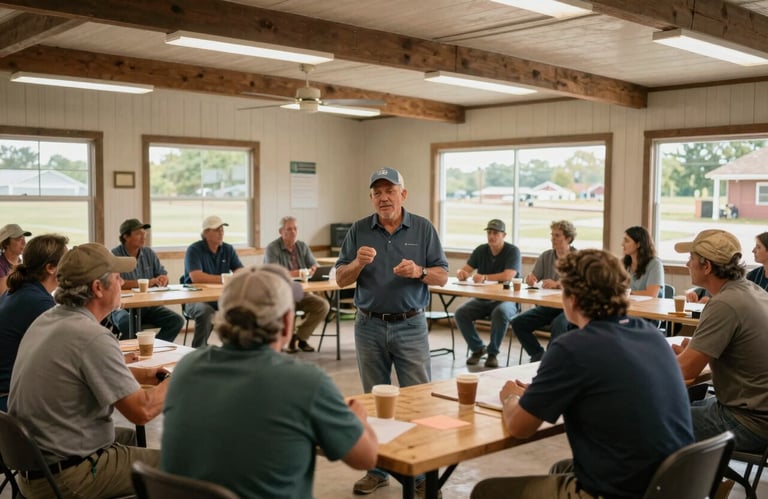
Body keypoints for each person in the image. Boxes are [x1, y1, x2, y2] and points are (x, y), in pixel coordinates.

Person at [472, 249, 693, 499]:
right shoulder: (650, 334)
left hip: (623, 492)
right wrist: (539, 395)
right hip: (676, 484)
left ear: (573, 299)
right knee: (561, 469)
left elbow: (520, 427)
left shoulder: (572, 347)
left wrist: (511, 398)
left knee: (486, 491)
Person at [162, 265, 378, 498]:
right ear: (287, 322)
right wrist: (359, 420)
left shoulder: (186, 368)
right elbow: (366, 457)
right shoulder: (306, 383)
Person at [8, 243, 170, 499]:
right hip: (68, 477)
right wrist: (179, 379)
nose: (121, 283)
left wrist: (140, 376)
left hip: (34, 465)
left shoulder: (48, 319)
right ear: (97, 287)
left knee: (128, 438)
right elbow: (142, 411)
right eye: (117, 277)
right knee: (181, 466)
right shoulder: (92, 336)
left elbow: (75, 374)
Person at [335, 167, 448, 495]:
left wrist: (419, 271)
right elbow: (340, 279)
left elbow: (442, 276)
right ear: (371, 198)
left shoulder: (423, 228)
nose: (384, 197)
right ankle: (378, 470)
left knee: (418, 401)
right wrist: (356, 264)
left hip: (411, 325)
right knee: (374, 400)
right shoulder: (358, 230)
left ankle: (425, 475)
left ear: (403, 194)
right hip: (368, 324)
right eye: (377, 192)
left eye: (390, 190)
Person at [673, 229, 768, 453]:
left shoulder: (724, 304)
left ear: (706, 266)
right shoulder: (752, 291)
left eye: (691, 259)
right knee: (681, 407)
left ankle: (663, 487)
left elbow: (685, 371)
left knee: (653, 419)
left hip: (749, 422)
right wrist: (693, 352)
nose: (687, 264)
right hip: (759, 414)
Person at [0, 234, 68, 412]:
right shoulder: (39, 303)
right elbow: (65, 356)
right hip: (11, 399)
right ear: (51, 268)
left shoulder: (17, 291)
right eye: (66, 261)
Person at [454, 219, 520, 368]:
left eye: (495, 233)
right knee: (460, 313)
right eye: (489, 232)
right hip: (483, 299)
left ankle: (492, 353)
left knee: (501, 312)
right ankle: (478, 349)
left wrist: (484, 277)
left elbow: (509, 275)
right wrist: (461, 273)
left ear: (504, 235)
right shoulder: (481, 250)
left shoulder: (512, 251)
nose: (491, 236)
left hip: (507, 299)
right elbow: (466, 269)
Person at [510, 220, 576, 363]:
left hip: (569, 308)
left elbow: (582, 285)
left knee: (559, 325)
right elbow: (534, 277)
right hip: (548, 306)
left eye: (557, 236)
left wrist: (558, 284)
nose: (553, 239)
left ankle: (553, 362)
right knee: (518, 323)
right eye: (552, 235)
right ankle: (539, 356)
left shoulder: (579, 258)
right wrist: (531, 279)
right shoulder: (546, 256)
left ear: (568, 238)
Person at [264, 215, 331, 353]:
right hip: (281, 294)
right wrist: (297, 273)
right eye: (289, 229)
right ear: (281, 232)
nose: (293, 232)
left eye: (295, 228)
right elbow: (273, 273)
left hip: (302, 292)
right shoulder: (272, 248)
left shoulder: (302, 246)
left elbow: (315, 265)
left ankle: (299, 337)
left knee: (323, 305)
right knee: (289, 305)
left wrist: (314, 269)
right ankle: (286, 341)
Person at [111, 218, 184, 341]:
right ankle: (125, 355)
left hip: (147, 306)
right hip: (121, 306)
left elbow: (162, 273)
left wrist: (163, 279)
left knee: (176, 321)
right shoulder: (114, 255)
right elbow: (115, 283)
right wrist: (148, 283)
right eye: (138, 234)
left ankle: (153, 350)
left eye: (144, 234)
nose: (143, 237)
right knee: (128, 325)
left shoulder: (149, 253)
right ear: (126, 237)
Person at [183, 215, 244, 347]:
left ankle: (234, 348)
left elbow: (240, 272)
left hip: (220, 298)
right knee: (206, 312)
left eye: (222, 229)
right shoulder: (194, 250)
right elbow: (196, 277)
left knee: (241, 308)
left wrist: (233, 277)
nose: (221, 232)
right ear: (206, 233)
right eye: (217, 230)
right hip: (194, 299)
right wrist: (225, 278)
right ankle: (198, 350)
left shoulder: (228, 249)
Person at [622, 225, 664, 297]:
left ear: (638, 244)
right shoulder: (622, 263)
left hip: (650, 307)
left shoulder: (655, 264)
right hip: (630, 306)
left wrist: (627, 293)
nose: (622, 244)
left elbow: (651, 294)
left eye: (627, 241)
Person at [0, 223, 31, 295]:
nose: (24, 243)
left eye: (24, 238)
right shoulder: (1, 265)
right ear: (6, 243)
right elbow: (4, 296)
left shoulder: (24, 262)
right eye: (19, 239)